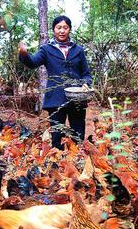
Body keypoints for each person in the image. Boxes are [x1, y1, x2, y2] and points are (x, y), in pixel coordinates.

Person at [18, 15, 92, 150]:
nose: (62, 31)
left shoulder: (78, 50)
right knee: (57, 135)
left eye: (65, 27)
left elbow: (86, 73)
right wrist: (23, 54)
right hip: (55, 99)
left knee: (78, 134)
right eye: (59, 28)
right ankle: (58, 164)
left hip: (77, 98)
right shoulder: (47, 49)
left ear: (69, 30)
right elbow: (33, 62)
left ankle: (78, 161)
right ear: (54, 30)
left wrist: (86, 84)